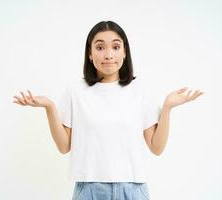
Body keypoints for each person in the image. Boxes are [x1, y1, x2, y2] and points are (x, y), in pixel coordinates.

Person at [13, 21, 204, 200]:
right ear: (90, 53)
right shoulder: (75, 91)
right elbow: (64, 147)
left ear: (124, 52)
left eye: (115, 46)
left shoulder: (140, 91)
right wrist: (49, 107)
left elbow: (156, 147)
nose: (108, 55)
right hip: (89, 190)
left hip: (133, 190)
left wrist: (168, 107)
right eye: (100, 47)